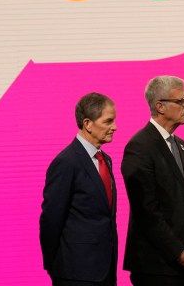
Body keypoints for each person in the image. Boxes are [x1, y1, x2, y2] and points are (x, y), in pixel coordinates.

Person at [122, 76, 184, 284]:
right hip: (157, 269)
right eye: (181, 101)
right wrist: (179, 255)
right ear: (160, 106)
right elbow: (146, 213)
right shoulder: (139, 147)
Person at [39, 92, 119, 286]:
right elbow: (51, 219)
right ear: (88, 124)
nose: (114, 127)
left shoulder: (105, 160)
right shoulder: (66, 162)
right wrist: (54, 265)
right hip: (75, 273)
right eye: (108, 121)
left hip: (105, 270)